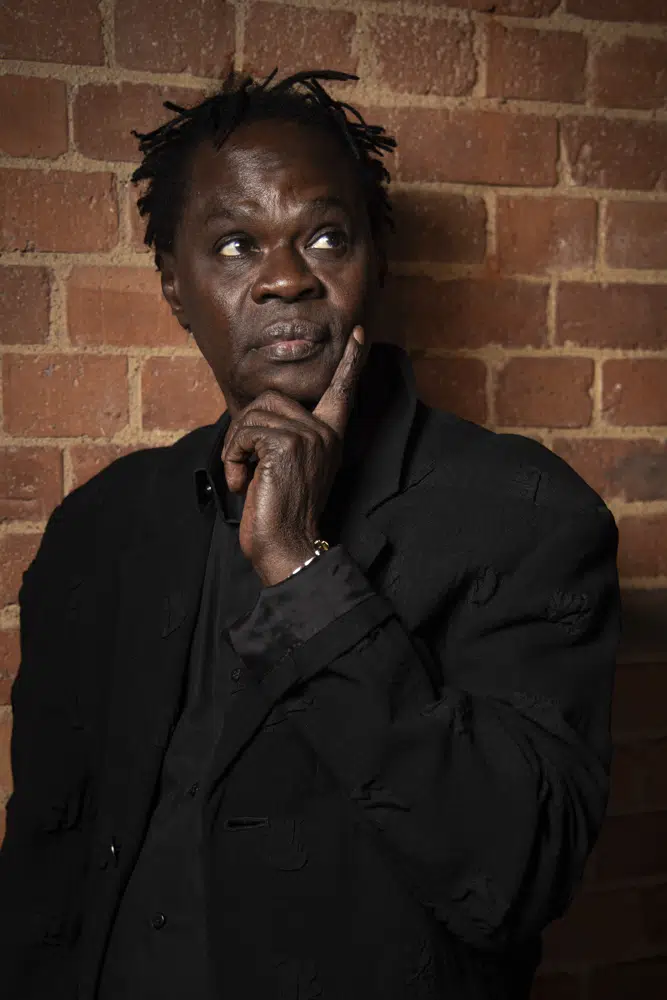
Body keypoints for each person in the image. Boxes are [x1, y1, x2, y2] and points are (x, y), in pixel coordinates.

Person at [0, 68, 621, 1000]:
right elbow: (46, 854)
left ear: (378, 259)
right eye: (236, 244)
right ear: (174, 283)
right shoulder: (97, 527)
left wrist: (302, 570)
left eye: (325, 236)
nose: (287, 276)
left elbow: (515, 875)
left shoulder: (527, 513)